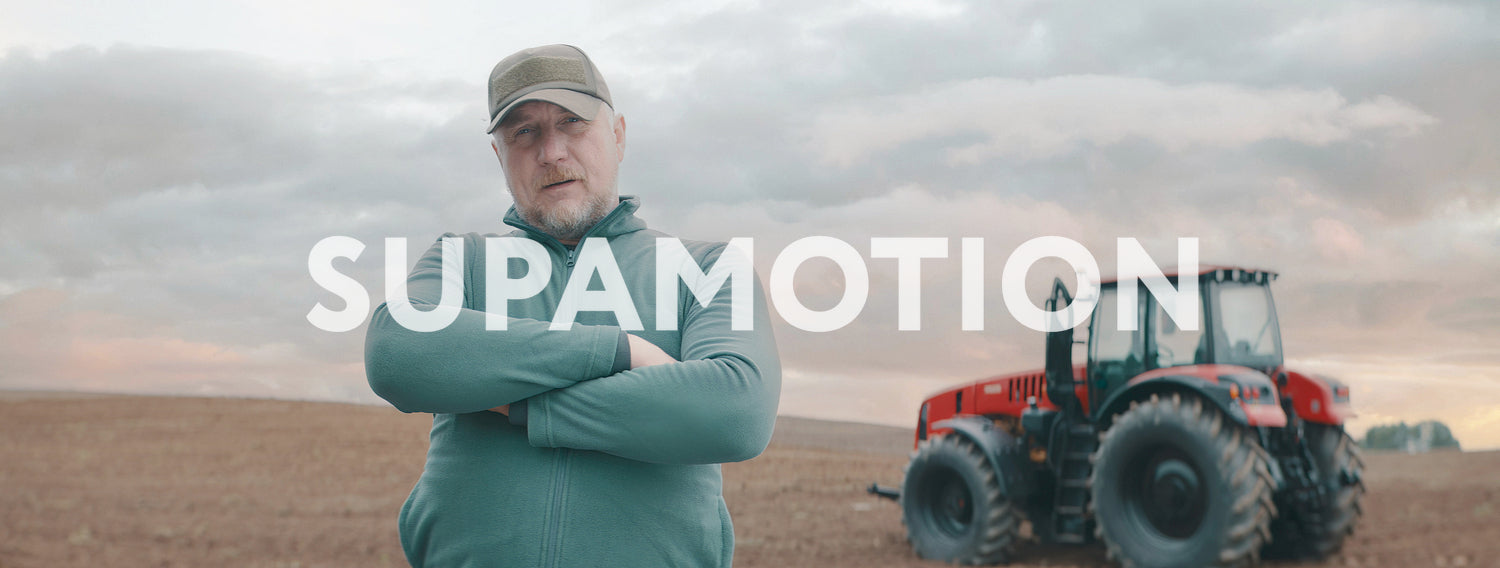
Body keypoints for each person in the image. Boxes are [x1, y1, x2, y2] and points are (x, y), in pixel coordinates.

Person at [364, 44, 782, 567]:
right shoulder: (463, 259)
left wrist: (518, 405)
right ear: (499, 155)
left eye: (573, 123)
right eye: (524, 132)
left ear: (619, 135)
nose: (552, 152)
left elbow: (735, 411)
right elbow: (398, 352)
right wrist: (620, 351)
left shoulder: (707, 268)